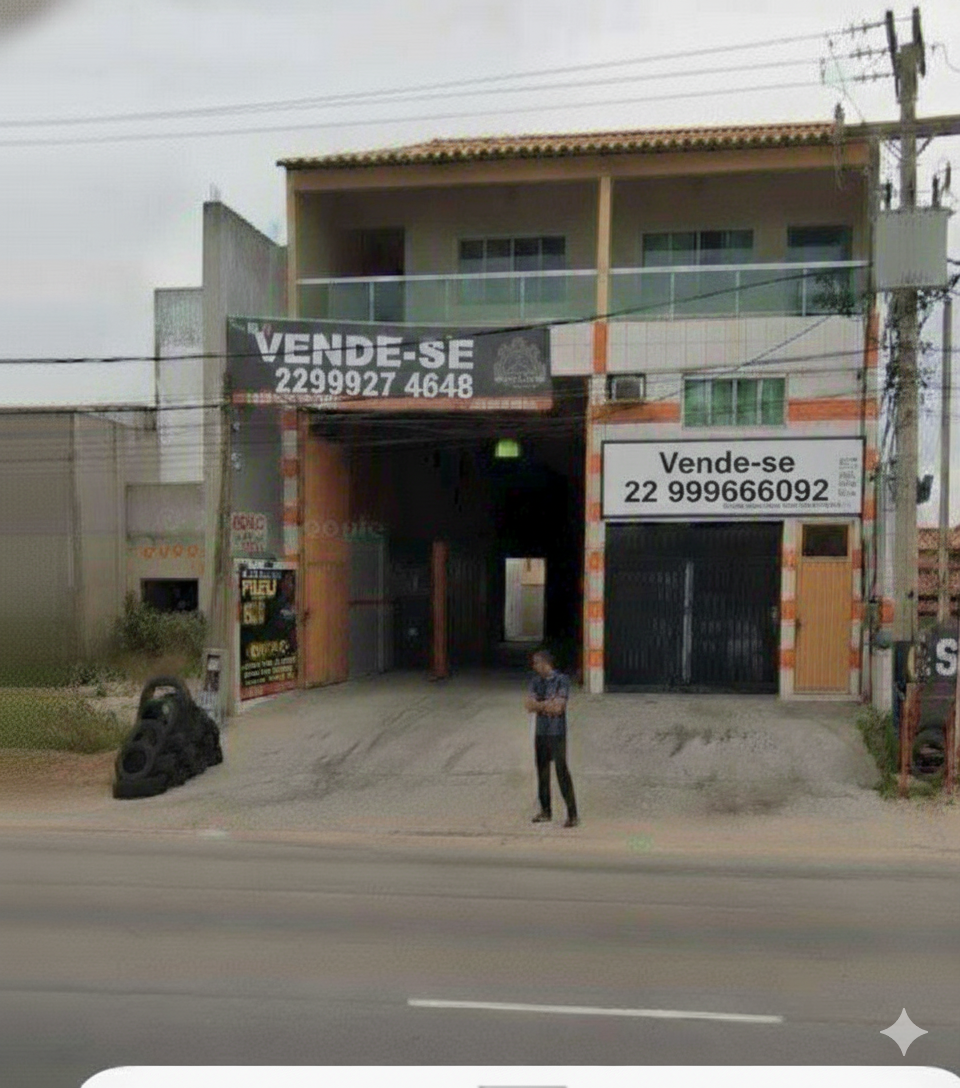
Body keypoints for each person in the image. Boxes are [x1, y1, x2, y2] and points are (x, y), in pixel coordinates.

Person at [524, 649, 578, 828]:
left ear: (545, 663)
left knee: (562, 772)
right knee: (542, 772)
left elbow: (559, 708)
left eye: (536, 663)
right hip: (541, 732)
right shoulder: (535, 682)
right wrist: (547, 704)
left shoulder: (561, 680)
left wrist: (540, 705)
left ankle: (572, 814)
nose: (534, 666)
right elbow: (529, 705)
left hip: (557, 733)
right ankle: (546, 810)